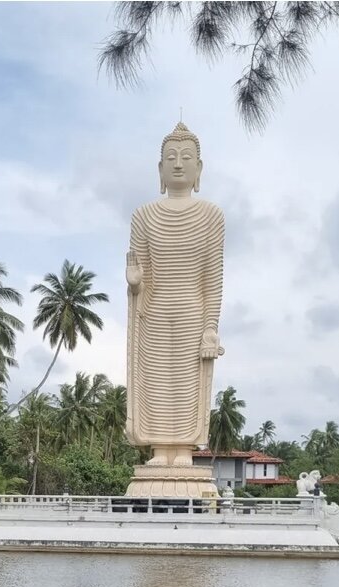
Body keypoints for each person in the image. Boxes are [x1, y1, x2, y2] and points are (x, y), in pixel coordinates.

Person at [125, 120, 225, 468]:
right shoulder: (143, 215)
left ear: (199, 168)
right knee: (156, 381)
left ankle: (183, 448)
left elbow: (213, 279)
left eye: (186, 157)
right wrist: (135, 283)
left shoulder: (211, 215)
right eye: (170, 158)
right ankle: (159, 449)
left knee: (186, 384)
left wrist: (210, 327)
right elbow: (141, 274)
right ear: (160, 169)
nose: (178, 164)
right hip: (153, 311)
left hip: (192, 312)